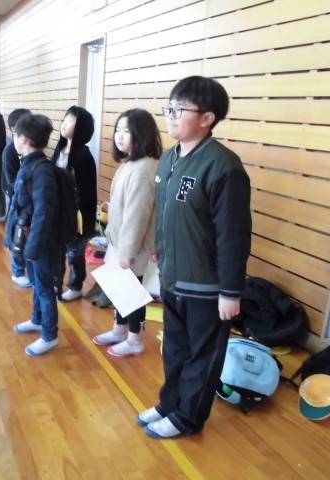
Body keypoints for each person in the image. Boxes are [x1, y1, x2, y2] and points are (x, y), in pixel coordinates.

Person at [137, 76, 252, 439]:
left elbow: (233, 235)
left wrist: (230, 292)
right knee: (174, 350)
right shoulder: (168, 158)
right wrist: (160, 251)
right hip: (173, 278)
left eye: (179, 109)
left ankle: (188, 418)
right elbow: (168, 215)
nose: (170, 116)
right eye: (168, 108)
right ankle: (170, 403)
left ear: (207, 118)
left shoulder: (223, 166)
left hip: (207, 287)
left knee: (202, 358)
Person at [92, 109, 162, 357]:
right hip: (121, 243)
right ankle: (119, 330)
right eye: (117, 130)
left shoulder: (144, 168)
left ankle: (134, 339)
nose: (119, 136)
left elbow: (137, 215)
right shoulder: (130, 163)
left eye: (126, 131)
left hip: (132, 246)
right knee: (121, 289)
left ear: (141, 134)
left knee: (132, 292)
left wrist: (128, 251)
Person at [6, 114, 60, 355]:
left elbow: (43, 213)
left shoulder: (42, 170)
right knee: (37, 284)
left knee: (45, 289)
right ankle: (37, 319)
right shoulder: (29, 164)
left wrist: (34, 246)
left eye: (15, 135)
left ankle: (50, 334)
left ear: (24, 139)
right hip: (31, 241)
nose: (13, 139)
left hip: (42, 243)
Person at [51, 106, 97, 301]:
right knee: (57, 251)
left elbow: (88, 193)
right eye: (65, 119)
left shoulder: (83, 156)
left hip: (75, 214)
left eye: (71, 121)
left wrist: (85, 223)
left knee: (75, 252)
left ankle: (76, 286)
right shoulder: (60, 149)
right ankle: (56, 283)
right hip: (58, 211)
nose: (64, 124)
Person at [2, 108, 32, 287]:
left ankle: (24, 266)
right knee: (16, 233)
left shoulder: (29, 148)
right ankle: (17, 271)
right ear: (14, 129)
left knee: (26, 233)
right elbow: (11, 180)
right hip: (15, 196)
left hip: (27, 198)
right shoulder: (10, 151)